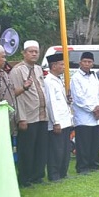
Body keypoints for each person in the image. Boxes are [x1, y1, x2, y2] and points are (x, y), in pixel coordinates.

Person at [10, 40, 48, 187]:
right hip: (28, 117)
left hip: (42, 115)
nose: (34, 54)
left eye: (36, 52)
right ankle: (24, 179)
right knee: (27, 150)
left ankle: (37, 176)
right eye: (30, 51)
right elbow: (16, 96)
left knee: (40, 148)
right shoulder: (17, 70)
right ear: (24, 53)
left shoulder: (38, 69)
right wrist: (21, 118)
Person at [70, 51, 99, 174]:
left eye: (89, 62)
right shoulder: (75, 78)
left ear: (92, 63)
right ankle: (82, 167)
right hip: (83, 117)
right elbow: (78, 98)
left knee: (95, 143)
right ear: (80, 63)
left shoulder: (94, 76)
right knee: (83, 144)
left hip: (96, 116)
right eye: (85, 61)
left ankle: (93, 165)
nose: (87, 64)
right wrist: (92, 109)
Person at [43, 52, 73, 181]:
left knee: (65, 148)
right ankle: (54, 175)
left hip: (65, 120)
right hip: (57, 121)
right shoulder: (49, 81)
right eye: (61, 64)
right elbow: (51, 103)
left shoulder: (58, 80)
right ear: (53, 66)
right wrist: (55, 122)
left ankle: (63, 172)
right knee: (56, 150)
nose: (64, 67)